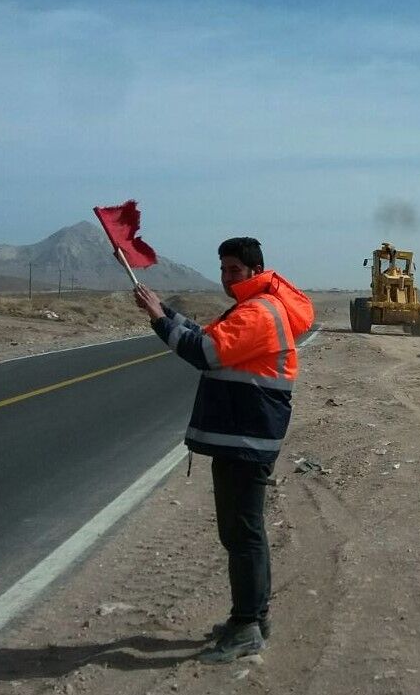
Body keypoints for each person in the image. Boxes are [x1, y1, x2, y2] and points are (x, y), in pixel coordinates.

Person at [133, 237, 315, 662]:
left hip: (245, 438)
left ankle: (248, 624)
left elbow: (205, 352)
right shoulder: (255, 308)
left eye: (234, 270)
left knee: (242, 534)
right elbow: (212, 336)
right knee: (244, 532)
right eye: (223, 270)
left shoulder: (260, 312)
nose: (226, 277)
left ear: (255, 271)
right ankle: (252, 618)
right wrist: (167, 313)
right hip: (244, 436)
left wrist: (161, 320)